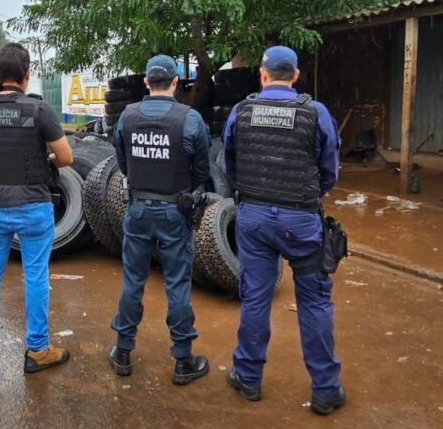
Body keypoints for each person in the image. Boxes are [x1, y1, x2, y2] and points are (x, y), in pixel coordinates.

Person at [221, 46, 345, 415]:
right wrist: (307, 196)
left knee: (256, 297)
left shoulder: (240, 111)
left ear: (262, 74)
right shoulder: (315, 112)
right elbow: (330, 171)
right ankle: (325, 390)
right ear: (296, 75)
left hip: (254, 218)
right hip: (302, 221)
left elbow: (229, 163)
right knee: (315, 301)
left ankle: (248, 378)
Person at [0, 43, 74, 373]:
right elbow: (67, 157)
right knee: (36, 276)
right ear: (27, 74)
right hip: (33, 207)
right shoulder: (39, 110)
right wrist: (44, 160)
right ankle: (37, 351)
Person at [109, 55, 211, 386]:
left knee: (133, 281)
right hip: (175, 212)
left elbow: (122, 161)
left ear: (145, 83)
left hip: (137, 210)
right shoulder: (190, 119)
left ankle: (123, 351)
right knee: (177, 283)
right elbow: (202, 171)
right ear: (176, 81)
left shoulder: (127, 115)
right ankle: (183, 359)